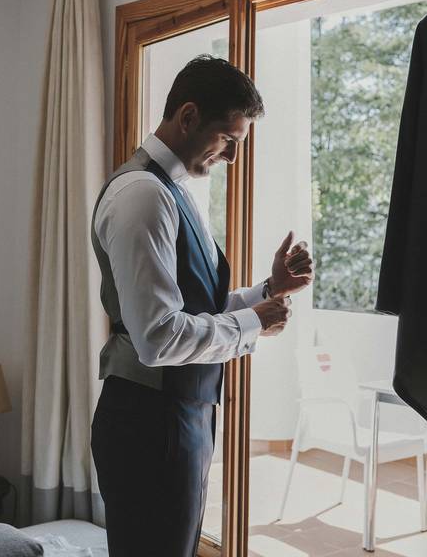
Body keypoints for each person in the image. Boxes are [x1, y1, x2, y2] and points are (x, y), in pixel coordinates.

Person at [89, 54, 314, 557]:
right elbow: (158, 337)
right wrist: (251, 324)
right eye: (229, 140)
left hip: (178, 415)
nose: (233, 157)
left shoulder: (174, 191)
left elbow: (191, 306)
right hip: (151, 422)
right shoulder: (143, 195)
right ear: (187, 116)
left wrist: (266, 292)